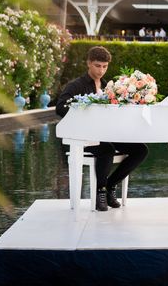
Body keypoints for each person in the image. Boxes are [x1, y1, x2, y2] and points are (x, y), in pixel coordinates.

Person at [55, 46, 148, 212]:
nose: (101, 70)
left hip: (107, 134)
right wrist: (83, 114)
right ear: (89, 63)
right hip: (84, 137)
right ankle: (100, 193)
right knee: (107, 148)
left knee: (141, 150)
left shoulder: (109, 87)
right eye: (98, 66)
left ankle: (110, 185)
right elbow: (60, 107)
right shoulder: (76, 85)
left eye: (105, 66)